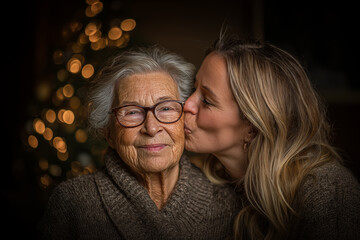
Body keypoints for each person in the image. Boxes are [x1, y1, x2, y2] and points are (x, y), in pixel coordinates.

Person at [39, 45, 240, 240]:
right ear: (109, 133)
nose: (151, 128)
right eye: (132, 112)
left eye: (166, 109)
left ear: (184, 120)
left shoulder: (228, 206)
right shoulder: (73, 203)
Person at [184, 33, 360, 239]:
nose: (186, 104)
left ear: (253, 128)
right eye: (193, 89)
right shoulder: (203, 183)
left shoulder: (329, 195)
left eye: (206, 100)